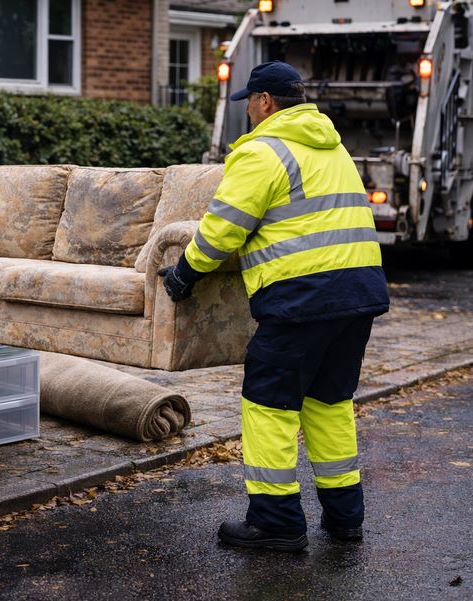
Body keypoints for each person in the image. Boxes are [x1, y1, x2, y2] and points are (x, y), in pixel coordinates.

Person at [159, 61, 390, 551]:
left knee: (270, 404)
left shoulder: (264, 151)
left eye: (249, 100)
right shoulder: (334, 149)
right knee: (329, 403)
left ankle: (276, 521)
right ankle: (345, 516)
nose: (247, 109)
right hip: (358, 295)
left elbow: (224, 228)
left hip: (302, 298)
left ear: (265, 102)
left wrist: (183, 273)